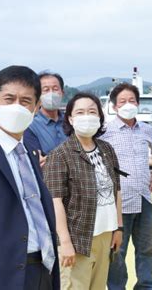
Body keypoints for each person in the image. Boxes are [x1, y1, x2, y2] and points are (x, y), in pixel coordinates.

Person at [0, 65, 59, 289]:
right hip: (0, 278)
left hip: (42, 270)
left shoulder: (29, 151)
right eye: (9, 99)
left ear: (36, 107)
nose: (17, 106)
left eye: (25, 101)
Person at [43, 92, 123, 289]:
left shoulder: (107, 149)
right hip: (77, 238)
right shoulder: (60, 155)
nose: (86, 116)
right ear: (70, 118)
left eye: (92, 111)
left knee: (98, 286)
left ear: (100, 117)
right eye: (80, 112)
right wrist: (65, 242)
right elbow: (55, 201)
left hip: (105, 233)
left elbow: (117, 191)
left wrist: (118, 228)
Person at [101, 83, 152, 290]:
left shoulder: (147, 130)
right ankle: (117, 287)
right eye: (123, 101)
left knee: (147, 248)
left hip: (144, 197)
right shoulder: (105, 131)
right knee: (117, 250)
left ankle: (145, 286)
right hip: (119, 201)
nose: (128, 105)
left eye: (132, 100)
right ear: (114, 107)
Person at [27, 71, 67, 155]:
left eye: (55, 89)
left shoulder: (71, 121)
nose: (51, 93)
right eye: (46, 90)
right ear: (37, 95)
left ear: (62, 93)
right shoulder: (30, 125)